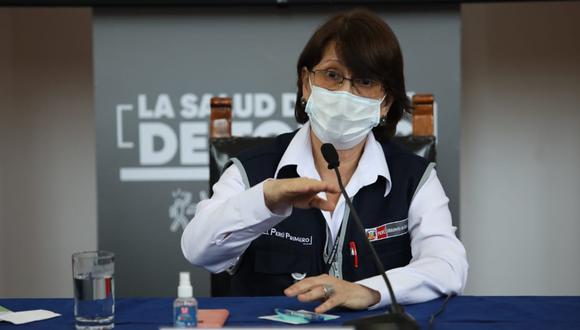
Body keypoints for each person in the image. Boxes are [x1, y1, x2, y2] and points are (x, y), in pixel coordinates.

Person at [181, 8, 468, 314]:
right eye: (332, 76)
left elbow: (449, 267)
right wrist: (264, 200)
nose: (345, 93)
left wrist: (371, 291)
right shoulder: (251, 171)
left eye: (365, 81)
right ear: (307, 84)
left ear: (385, 102)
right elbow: (198, 251)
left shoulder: (414, 177)